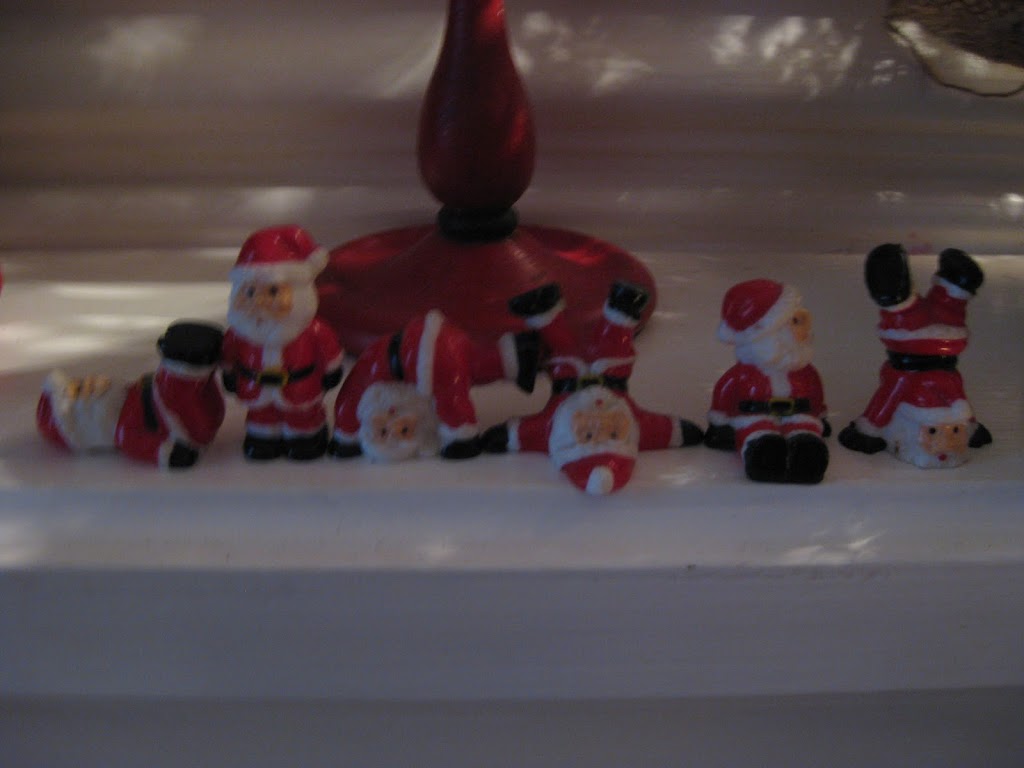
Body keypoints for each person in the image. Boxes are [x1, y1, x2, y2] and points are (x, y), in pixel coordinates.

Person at [484, 281, 704, 495]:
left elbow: (526, 433)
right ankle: (622, 307)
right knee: (614, 349)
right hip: (612, 377)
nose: (599, 426)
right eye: (614, 433)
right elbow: (662, 430)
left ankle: (544, 311)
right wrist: (679, 432)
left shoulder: (551, 428)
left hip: (567, 382)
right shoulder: (637, 426)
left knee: (562, 350)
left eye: (587, 435)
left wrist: (508, 436)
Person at [221, 226, 343, 460]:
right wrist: (229, 373)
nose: (260, 302)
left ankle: (305, 439)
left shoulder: (313, 330)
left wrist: (332, 370)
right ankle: (263, 438)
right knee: (261, 416)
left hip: (300, 388)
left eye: (273, 291)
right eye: (250, 292)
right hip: (255, 388)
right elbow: (229, 353)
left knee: (302, 417)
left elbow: (329, 350)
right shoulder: (240, 333)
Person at [705, 279, 830, 484]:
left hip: (799, 413)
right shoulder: (743, 374)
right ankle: (762, 457)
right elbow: (724, 392)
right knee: (757, 434)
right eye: (794, 322)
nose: (805, 331)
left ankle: (807, 458)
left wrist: (819, 414)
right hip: (755, 415)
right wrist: (720, 424)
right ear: (769, 333)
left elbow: (815, 392)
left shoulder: (804, 371)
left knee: (806, 433)